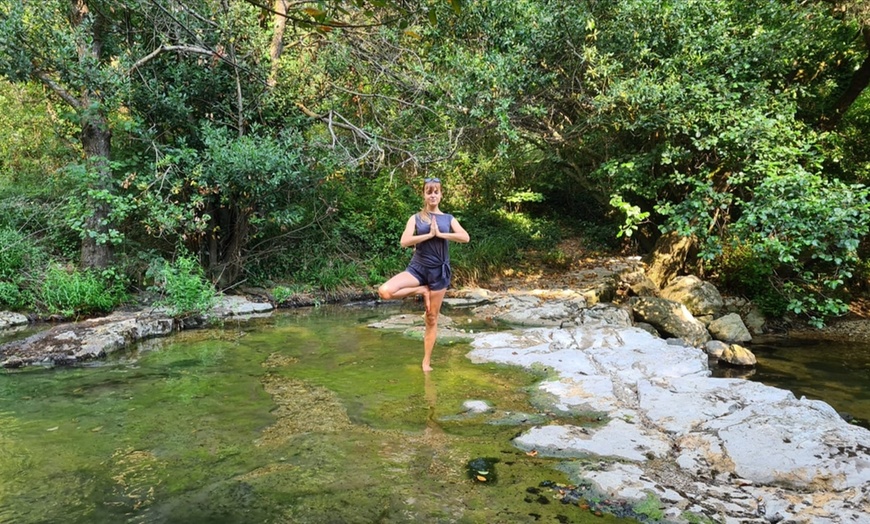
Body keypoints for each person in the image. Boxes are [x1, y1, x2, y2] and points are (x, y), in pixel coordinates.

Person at [377, 177, 470, 372]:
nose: (433, 194)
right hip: (417, 269)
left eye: (436, 191)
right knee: (384, 291)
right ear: (424, 195)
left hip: (439, 273)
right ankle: (421, 290)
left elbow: (465, 237)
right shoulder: (416, 218)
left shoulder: (449, 218)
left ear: (441, 194)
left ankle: (426, 362)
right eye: (429, 191)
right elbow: (404, 241)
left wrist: (441, 235)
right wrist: (428, 235)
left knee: (431, 318)